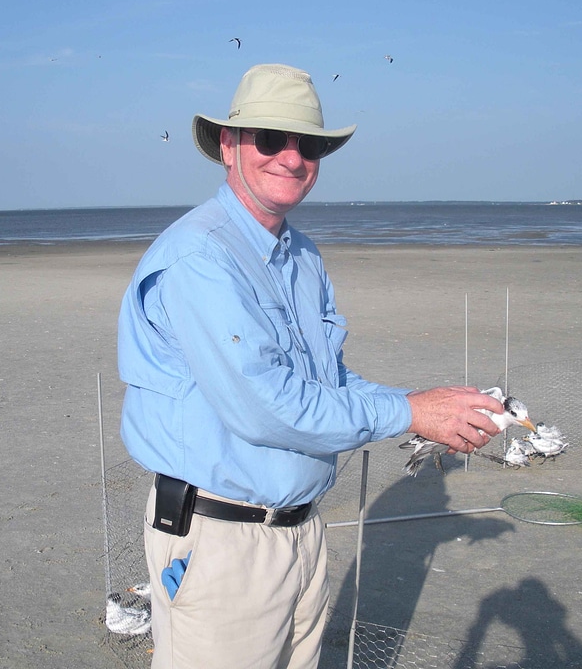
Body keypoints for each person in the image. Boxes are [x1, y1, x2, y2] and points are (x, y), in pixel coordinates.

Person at [117, 63, 505, 669]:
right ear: (228, 145)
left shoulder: (301, 255)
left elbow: (323, 384)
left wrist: (437, 410)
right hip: (220, 544)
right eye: (270, 139)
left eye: (310, 144)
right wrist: (411, 411)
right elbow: (265, 404)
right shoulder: (199, 258)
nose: (291, 158)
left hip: (302, 533)